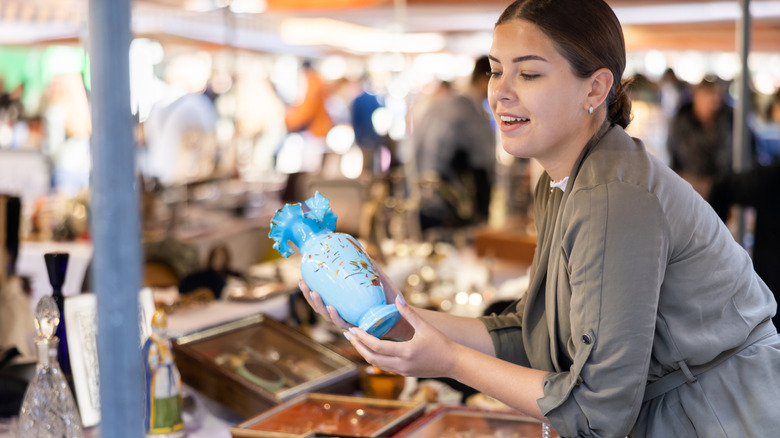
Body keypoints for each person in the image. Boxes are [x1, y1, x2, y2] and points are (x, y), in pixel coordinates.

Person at [299, 1, 780, 436]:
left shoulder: (612, 195)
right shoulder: (562, 177)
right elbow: (536, 334)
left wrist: (448, 361)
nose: (500, 93)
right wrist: (397, 312)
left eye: (528, 75)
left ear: (595, 87)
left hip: (720, 414)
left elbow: (598, 413)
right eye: (495, 70)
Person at [709, 88, 780, 329]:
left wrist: (717, 252)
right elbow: (724, 188)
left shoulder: (771, 178)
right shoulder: (770, 178)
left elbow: (723, 188)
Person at [413, 56, 496, 230]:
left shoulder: (448, 106)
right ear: (484, 79)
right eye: (498, 76)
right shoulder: (464, 111)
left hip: (437, 199)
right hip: (452, 205)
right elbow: (484, 160)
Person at [666, 75, 738, 199]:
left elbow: (745, 158)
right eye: (708, 93)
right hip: (689, 193)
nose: (713, 99)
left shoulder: (732, 120)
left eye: (717, 94)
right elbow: (673, 160)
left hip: (725, 195)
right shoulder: (681, 120)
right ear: (696, 95)